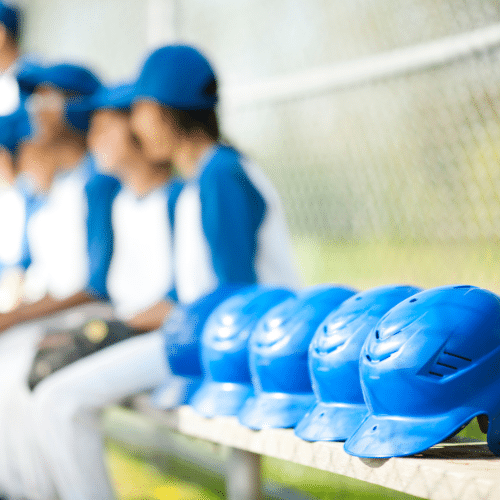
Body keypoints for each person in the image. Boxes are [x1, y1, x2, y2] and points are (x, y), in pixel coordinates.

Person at [30, 44, 300, 500]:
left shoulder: (221, 172)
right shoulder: (200, 177)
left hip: (250, 343)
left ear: (167, 111)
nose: (136, 124)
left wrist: (115, 329)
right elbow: (185, 288)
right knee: (58, 392)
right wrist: (108, 328)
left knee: (62, 401)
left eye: (141, 110)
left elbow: (238, 292)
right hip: (203, 335)